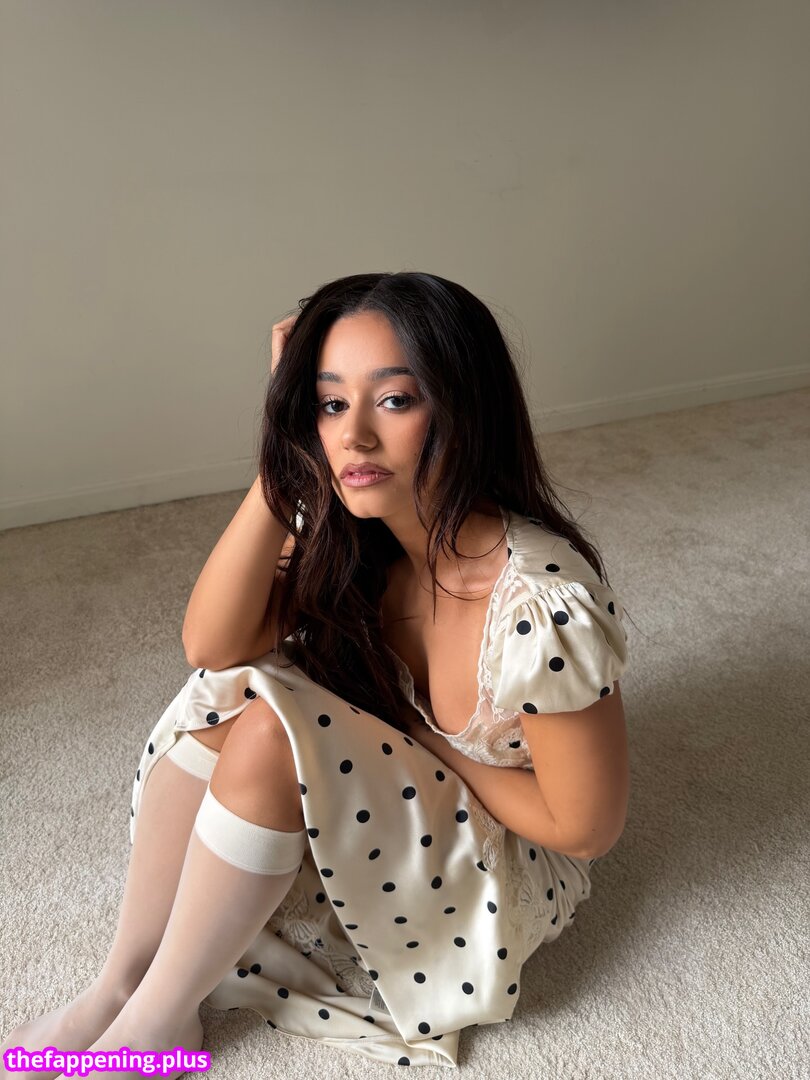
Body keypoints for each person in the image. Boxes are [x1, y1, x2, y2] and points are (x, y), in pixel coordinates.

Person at [1, 272, 631, 1076]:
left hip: (506, 869)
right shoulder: (354, 535)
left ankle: (155, 1024)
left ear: (464, 407)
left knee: (275, 724)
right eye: (330, 404)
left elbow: (584, 828)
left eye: (394, 400)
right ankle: (123, 983)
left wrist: (423, 738)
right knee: (240, 690)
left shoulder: (541, 602)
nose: (354, 437)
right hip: (406, 810)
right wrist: (285, 451)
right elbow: (212, 645)